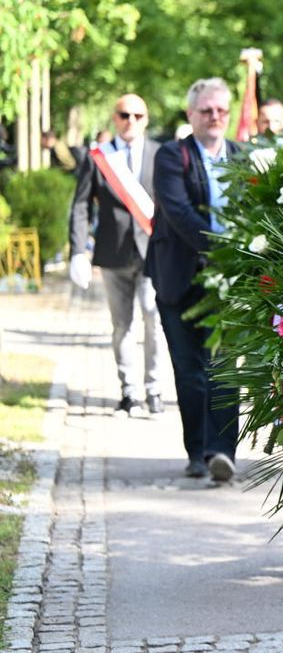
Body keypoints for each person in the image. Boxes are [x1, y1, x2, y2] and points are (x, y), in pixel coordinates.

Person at [146, 78, 240, 482]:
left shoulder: (242, 156)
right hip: (179, 278)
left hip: (231, 281)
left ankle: (222, 452)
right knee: (190, 371)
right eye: (206, 111)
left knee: (223, 369)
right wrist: (223, 245)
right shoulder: (172, 155)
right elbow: (179, 211)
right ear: (191, 115)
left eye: (221, 110)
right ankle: (197, 451)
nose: (214, 117)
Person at [68, 94, 164, 417]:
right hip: (113, 253)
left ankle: (154, 389)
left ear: (146, 119)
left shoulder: (159, 154)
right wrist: (78, 250)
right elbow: (81, 204)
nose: (131, 121)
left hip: (152, 252)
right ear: (115, 117)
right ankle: (129, 392)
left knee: (153, 317)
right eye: (125, 115)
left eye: (138, 115)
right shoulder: (98, 158)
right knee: (122, 324)